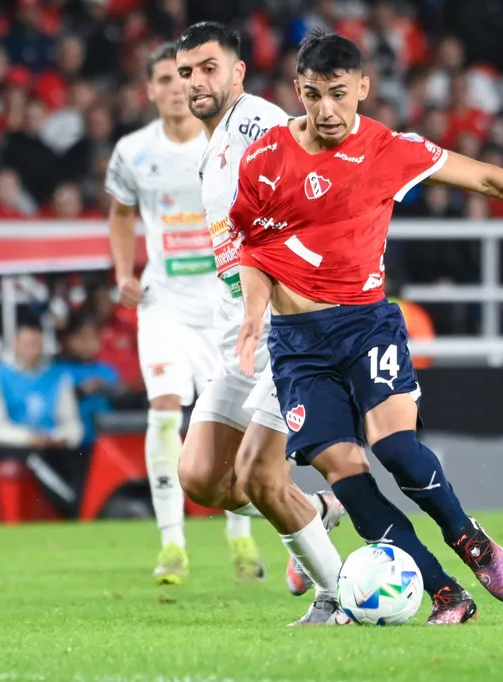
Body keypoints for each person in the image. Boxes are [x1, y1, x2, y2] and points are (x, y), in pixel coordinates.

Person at [232, 32, 503, 624]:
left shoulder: (389, 149)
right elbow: (253, 247)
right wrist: (251, 311)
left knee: (396, 448)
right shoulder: (265, 158)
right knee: (345, 473)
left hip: (365, 325)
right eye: (314, 94)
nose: (326, 110)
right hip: (297, 346)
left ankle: (465, 535)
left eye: (339, 95)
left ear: (364, 89)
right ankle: (445, 592)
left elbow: (488, 180)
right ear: (297, 89)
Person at [174, 23, 348, 624]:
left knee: (259, 474)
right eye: (188, 72)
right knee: (201, 477)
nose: (198, 81)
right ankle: (316, 512)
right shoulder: (213, 142)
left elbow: (307, 200)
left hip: (285, 329)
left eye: (209, 67)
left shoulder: (257, 125)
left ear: (238, 72)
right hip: (237, 337)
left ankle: (344, 596)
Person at [106, 42, 264, 583]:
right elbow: (121, 213)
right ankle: (172, 544)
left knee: (234, 421)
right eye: (165, 80)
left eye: (184, 77)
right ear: (150, 90)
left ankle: (240, 536)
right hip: (164, 306)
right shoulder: (132, 151)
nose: (177, 87)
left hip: (224, 302)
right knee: (165, 408)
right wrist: (125, 273)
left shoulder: (225, 140)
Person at [0, 319, 85, 517]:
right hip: (11, 447)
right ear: (15, 344)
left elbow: (71, 423)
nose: (33, 350)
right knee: (37, 462)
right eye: (27, 344)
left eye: (37, 344)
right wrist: (29, 438)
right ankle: (75, 508)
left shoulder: (58, 377)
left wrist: (62, 437)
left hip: (53, 445)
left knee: (82, 457)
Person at [53, 312, 123, 453]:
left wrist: (107, 389)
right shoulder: (57, 370)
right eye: (81, 337)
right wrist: (81, 391)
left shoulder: (108, 371)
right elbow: (50, 404)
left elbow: (122, 402)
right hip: (69, 443)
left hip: (105, 442)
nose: (87, 343)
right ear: (69, 340)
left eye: (93, 337)